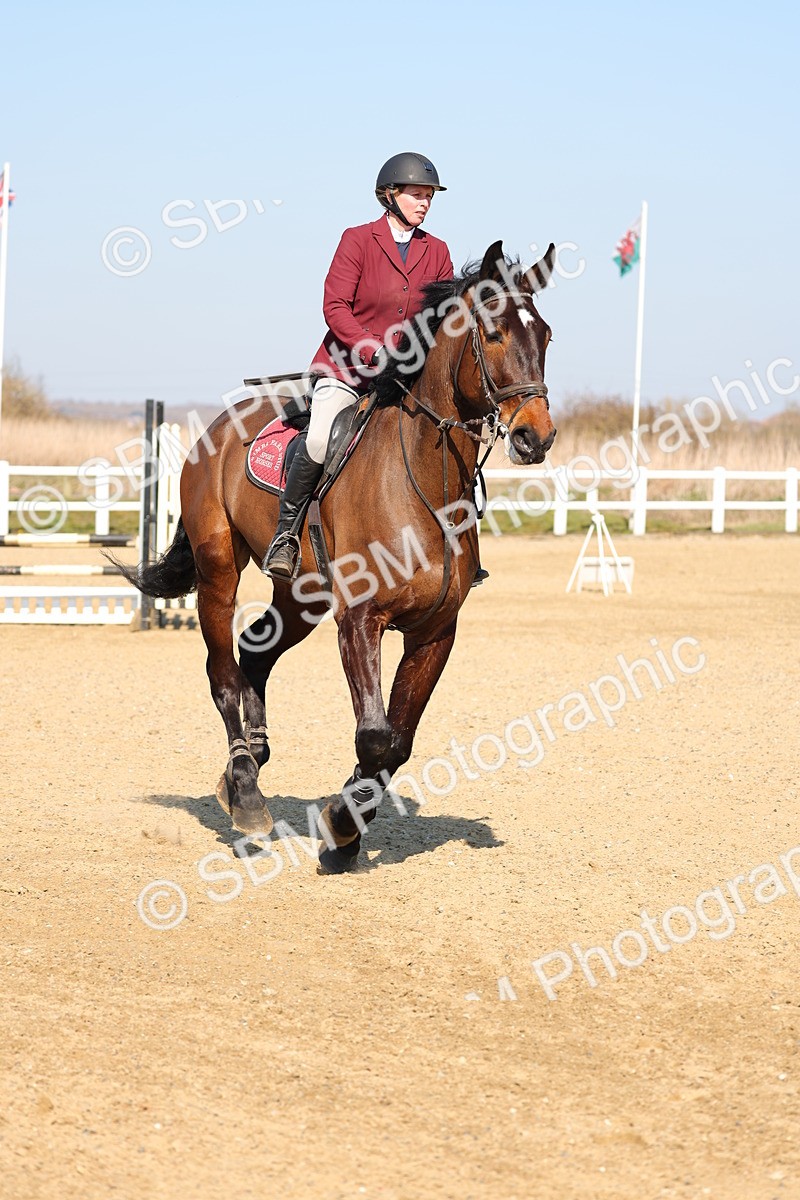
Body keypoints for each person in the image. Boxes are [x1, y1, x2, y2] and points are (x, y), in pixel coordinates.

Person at [262, 152, 453, 579]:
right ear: (390, 195)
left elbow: (442, 316)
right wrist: (370, 348)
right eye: (416, 195)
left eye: (429, 197)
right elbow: (335, 305)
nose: (424, 203)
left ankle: (456, 540)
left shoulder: (437, 251)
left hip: (407, 376)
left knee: (447, 440)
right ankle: (286, 536)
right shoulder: (358, 239)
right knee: (318, 439)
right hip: (347, 369)